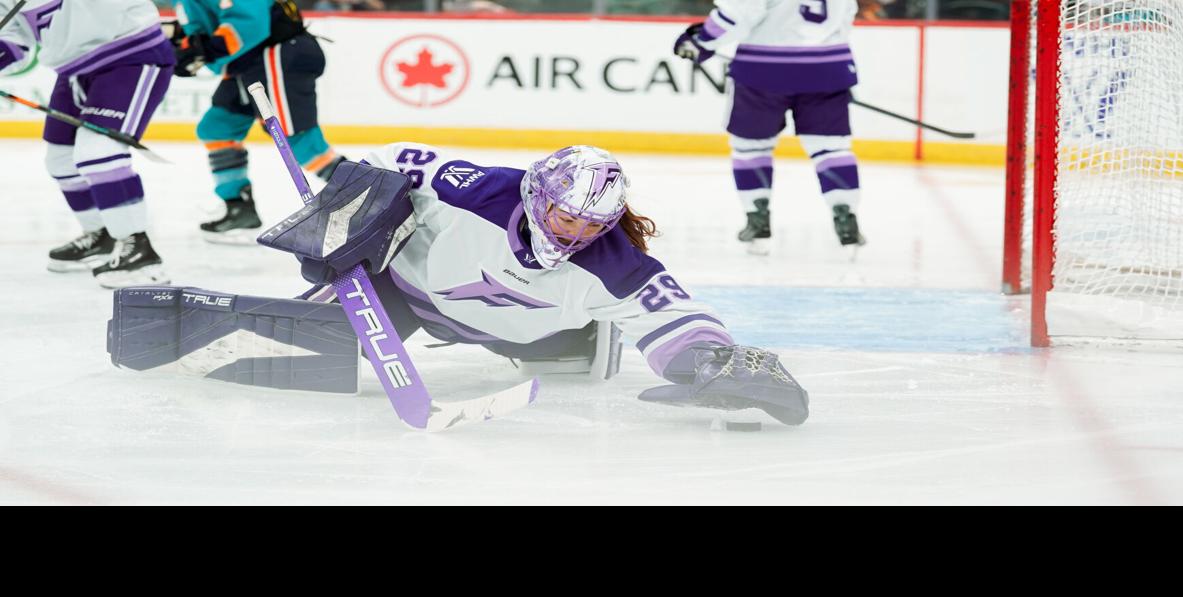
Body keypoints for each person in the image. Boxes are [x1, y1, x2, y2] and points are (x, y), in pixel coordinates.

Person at [257, 143, 810, 425]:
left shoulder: (614, 263)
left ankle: (585, 338)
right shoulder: (468, 188)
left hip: (525, 333)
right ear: (537, 196)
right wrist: (344, 221)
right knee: (306, 351)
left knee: (563, 361)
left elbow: (674, 315)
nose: (577, 234)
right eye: (568, 217)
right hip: (411, 297)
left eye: (595, 225)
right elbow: (379, 162)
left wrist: (715, 361)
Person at [1, 0, 176, 286]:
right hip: (74, 69)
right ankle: (102, 234)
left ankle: (140, 251)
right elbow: (15, 41)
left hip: (129, 54)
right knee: (60, 160)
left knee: (99, 152)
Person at [673, 0, 865, 250]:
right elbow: (845, 15)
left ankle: (757, 219)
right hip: (830, 66)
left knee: (751, 147)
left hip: (763, 69)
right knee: (831, 147)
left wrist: (701, 41)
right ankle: (845, 212)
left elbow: (736, 13)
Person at [172, 0, 345, 242]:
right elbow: (202, 25)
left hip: (277, 52)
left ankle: (364, 196)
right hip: (249, 61)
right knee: (218, 128)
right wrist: (189, 46)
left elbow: (251, 23)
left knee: (297, 139)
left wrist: (207, 49)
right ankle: (239, 208)